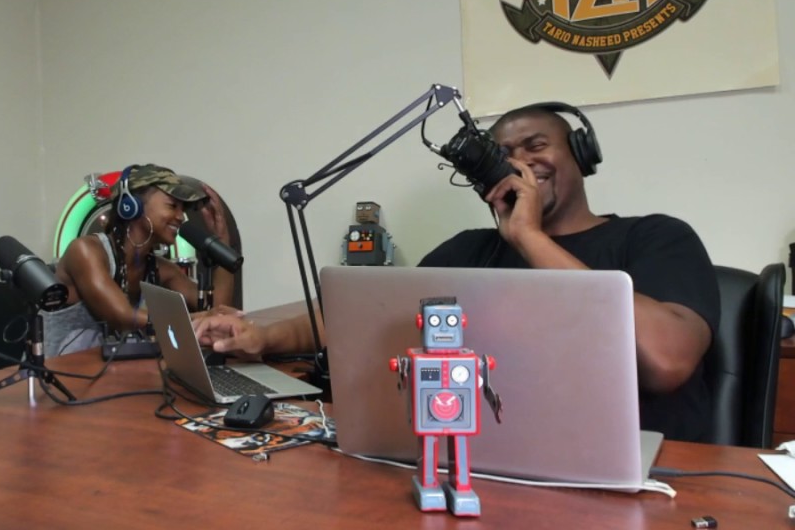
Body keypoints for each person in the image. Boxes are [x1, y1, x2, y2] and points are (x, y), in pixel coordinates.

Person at [195, 104, 719, 443]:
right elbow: (362, 316)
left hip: (641, 472)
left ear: (582, 155)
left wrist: (529, 238)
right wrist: (261, 335)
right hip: (492, 463)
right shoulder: (470, 249)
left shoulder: (654, 237)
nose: (518, 164)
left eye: (536, 147)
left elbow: (666, 360)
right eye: (502, 156)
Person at [44, 163, 238, 357]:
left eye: (182, 209)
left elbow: (217, 309)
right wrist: (197, 319)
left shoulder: (159, 268)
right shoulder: (85, 251)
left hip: (111, 369)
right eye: (172, 206)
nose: (180, 217)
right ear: (131, 206)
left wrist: (222, 242)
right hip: (58, 368)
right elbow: (122, 316)